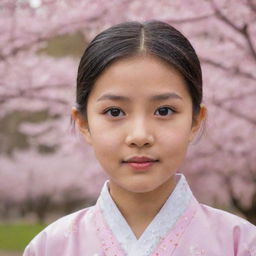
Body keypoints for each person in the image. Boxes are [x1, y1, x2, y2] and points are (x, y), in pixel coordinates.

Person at [23, 20, 256, 256]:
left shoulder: (241, 244)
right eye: (114, 112)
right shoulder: (50, 248)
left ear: (196, 120)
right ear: (83, 123)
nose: (140, 136)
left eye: (164, 111)